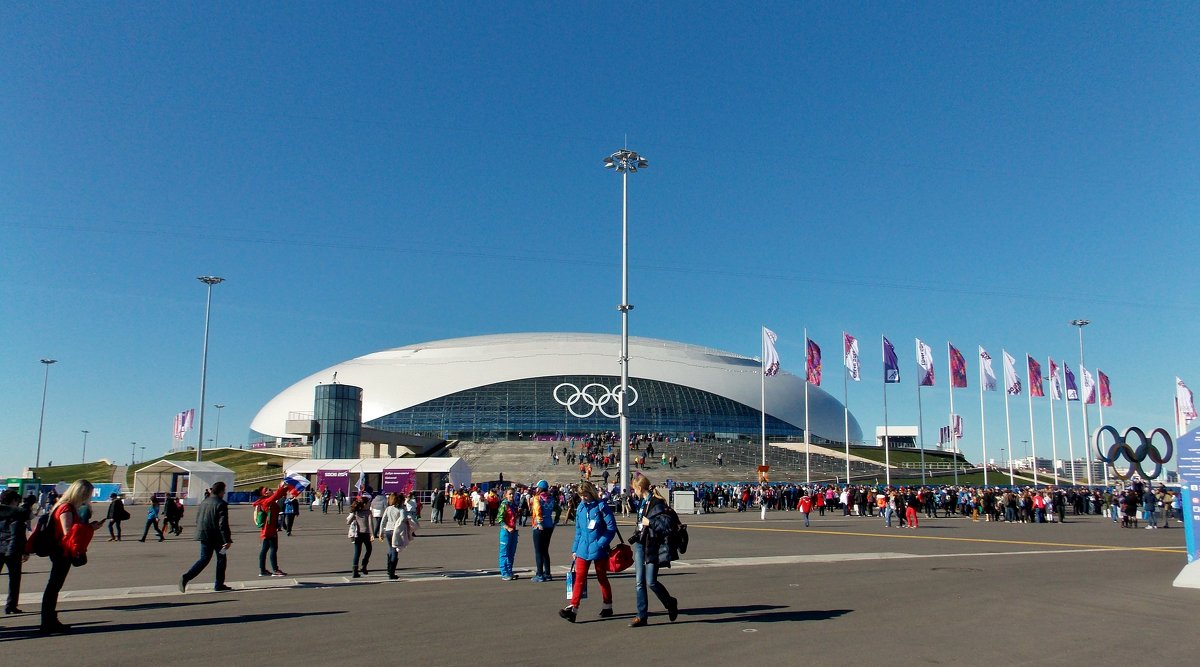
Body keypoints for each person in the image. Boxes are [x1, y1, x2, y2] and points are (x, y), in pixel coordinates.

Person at [41, 479, 104, 634]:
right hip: (62, 552)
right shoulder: (66, 508)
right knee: (54, 586)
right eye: (87, 494)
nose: (88, 498)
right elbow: (68, 532)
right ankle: (48, 621)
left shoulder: (63, 505)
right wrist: (90, 527)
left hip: (60, 551)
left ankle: (50, 620)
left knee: (54, 586)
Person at [559, 481, 616, 623]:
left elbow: (611, 528)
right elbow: (578, 530)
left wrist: (600, 543)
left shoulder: (601, 506)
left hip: (599, 548)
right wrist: (574, 548)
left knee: (602, 577)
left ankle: (607, 605)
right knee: (579, 578)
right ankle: (573, 608)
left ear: (591, 493)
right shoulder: (580, 508)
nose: (583, 498)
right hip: (583, 548)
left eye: (585, 495)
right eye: (581, 495)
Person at [627, 476, 679, 627]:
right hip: (640, 544)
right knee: (639, 582)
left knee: (651, 581)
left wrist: (650, 522)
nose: (633, 492)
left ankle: (670, 602)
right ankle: (641, 615)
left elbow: (666, 524)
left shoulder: (657, 503)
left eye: (634, 489)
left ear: (640, 488)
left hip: (652, 545)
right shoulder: (642, 502)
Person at [179, 481, 233, 593]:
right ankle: (219, 584)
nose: (224, 493)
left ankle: (186, 577)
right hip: (217, 537)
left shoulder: (204, 502)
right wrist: (227, 540)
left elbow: (198, 519)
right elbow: (222, 524)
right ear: (221, 491)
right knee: (221, 559)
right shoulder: (221, 503)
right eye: (224, 491)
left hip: (203, 535)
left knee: (204, 559)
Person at [0, 489, 30, 614]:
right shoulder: (17, 515)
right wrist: (25, 551)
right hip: (12, 550)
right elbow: (18, 536)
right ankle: (11, 605)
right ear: (14, 501)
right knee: (14, 579)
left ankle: (11, 605)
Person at [254, 484, 288, 577]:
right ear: (265, 494)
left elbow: (279, 495)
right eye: (268, 489)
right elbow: (277, 495)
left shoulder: (267, 501)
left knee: (265, 549)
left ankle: (263, 570)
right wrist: (281, 487)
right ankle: (275, 570)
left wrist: (285, 488)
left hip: (268, 529)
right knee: (273, 548)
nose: (271, 490)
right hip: (269, 529)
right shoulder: (266, 501)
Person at [529, 480, 555, 582]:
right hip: (549, 524)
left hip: (539, 526)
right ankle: (548, 573)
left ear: (539, 488)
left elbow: (537, 510)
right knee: (545, 550)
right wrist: (555, 520)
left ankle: (540, 574)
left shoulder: (537, 498)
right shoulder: (551, 498)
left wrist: (539, 522)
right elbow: (558, 509)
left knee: (538, 551)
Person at [378, 493, 409, 580]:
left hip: (388, 530)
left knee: (390, 549)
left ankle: (389, 569)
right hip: (396, 531)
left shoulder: (388, 508)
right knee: (395, 550)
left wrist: (381, 533)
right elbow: (403, 518)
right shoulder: (401, 509)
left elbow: (383, 521)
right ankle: (392, 572)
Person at [497, 487, 520, 580]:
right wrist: (507, 527)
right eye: (510, 494)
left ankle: (510, 571)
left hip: (514, 531)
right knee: (504, 553)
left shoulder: (513, 505)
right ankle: (504, 573)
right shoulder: (504, 505)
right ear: (506, 495)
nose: (511, 496)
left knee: (511, 553)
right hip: (506, 532)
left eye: (512, 494)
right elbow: (500, 519)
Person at [347, 497, 373, 577]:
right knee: (369, 549)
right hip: (365, 533)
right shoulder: (368, 512)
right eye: (368, 503)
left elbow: (348, 522)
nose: (369, 504)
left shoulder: (356, 512)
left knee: (357, 552)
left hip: (357, 534)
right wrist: (372, 534)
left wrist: (354, 515)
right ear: (365, 504)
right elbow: (370, 524)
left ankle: (355, 571)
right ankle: (364, 565)